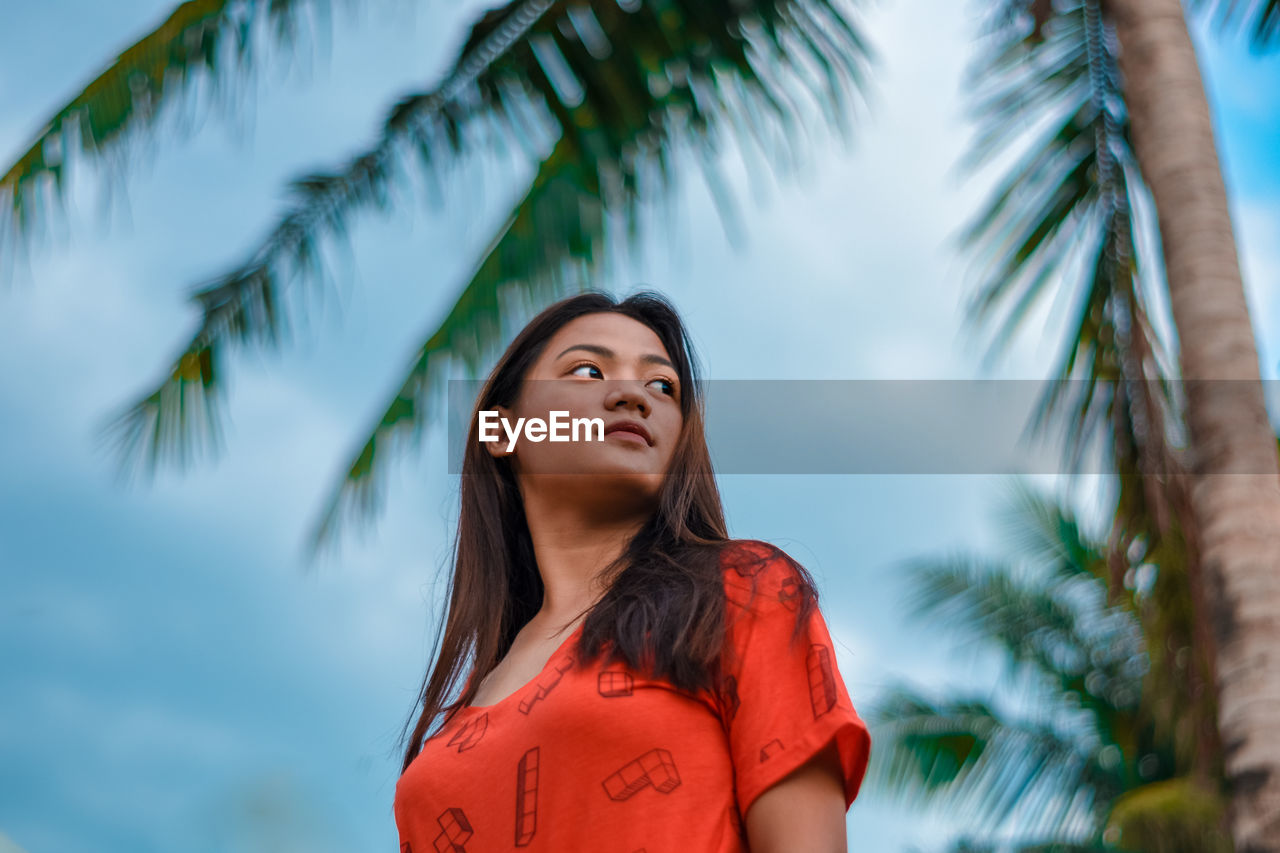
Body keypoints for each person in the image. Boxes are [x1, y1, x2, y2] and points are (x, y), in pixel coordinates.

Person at [394, 291, 871, 851]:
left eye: (662, 386)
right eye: (589, 370)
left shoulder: (739, 591)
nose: (632, 396)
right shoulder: (453, 729)